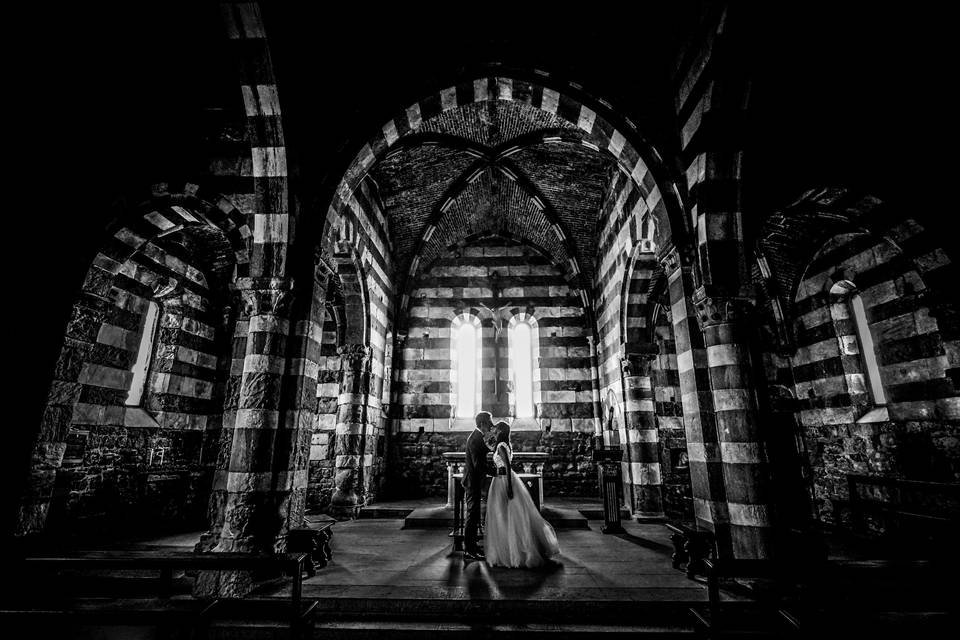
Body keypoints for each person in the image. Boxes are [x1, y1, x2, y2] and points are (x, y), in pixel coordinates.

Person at [484, 421, 561, 568]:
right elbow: (494, 450)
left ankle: (514, 551)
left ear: (500, 431)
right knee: (506, 515)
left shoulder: (501, 447)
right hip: (501, 479)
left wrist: (509, 487)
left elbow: (507, 466)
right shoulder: (504, 445)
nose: (493, 430)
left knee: (505, 515)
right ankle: (509, 548)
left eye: (496, 429)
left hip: (503, 480)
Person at [462, 411, 496, 560]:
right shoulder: (475, 439)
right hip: (472, 481)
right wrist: (494, 472)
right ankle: (469, 549)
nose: (491, 425)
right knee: (472, 515)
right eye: (489, 422)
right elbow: (478, 465)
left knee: (474, 515)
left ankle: (473, 547)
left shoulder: (478, 437)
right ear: (482, 423)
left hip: (474, 481)